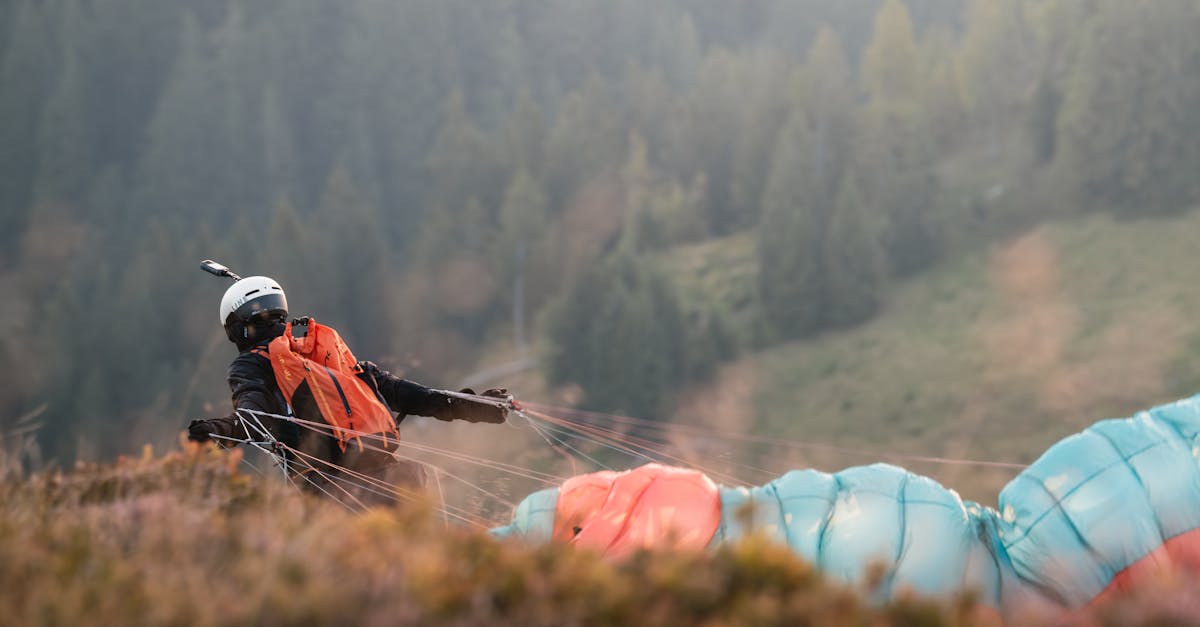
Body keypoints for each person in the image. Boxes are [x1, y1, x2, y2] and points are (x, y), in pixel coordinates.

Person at [187, 275, 510, 505]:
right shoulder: (329, 359)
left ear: (235, 327)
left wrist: (214, 433)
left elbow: (253, 417)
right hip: (398, 481)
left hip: (330, 495)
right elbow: (417, 397)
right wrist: (477, 405)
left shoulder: (252, 365)